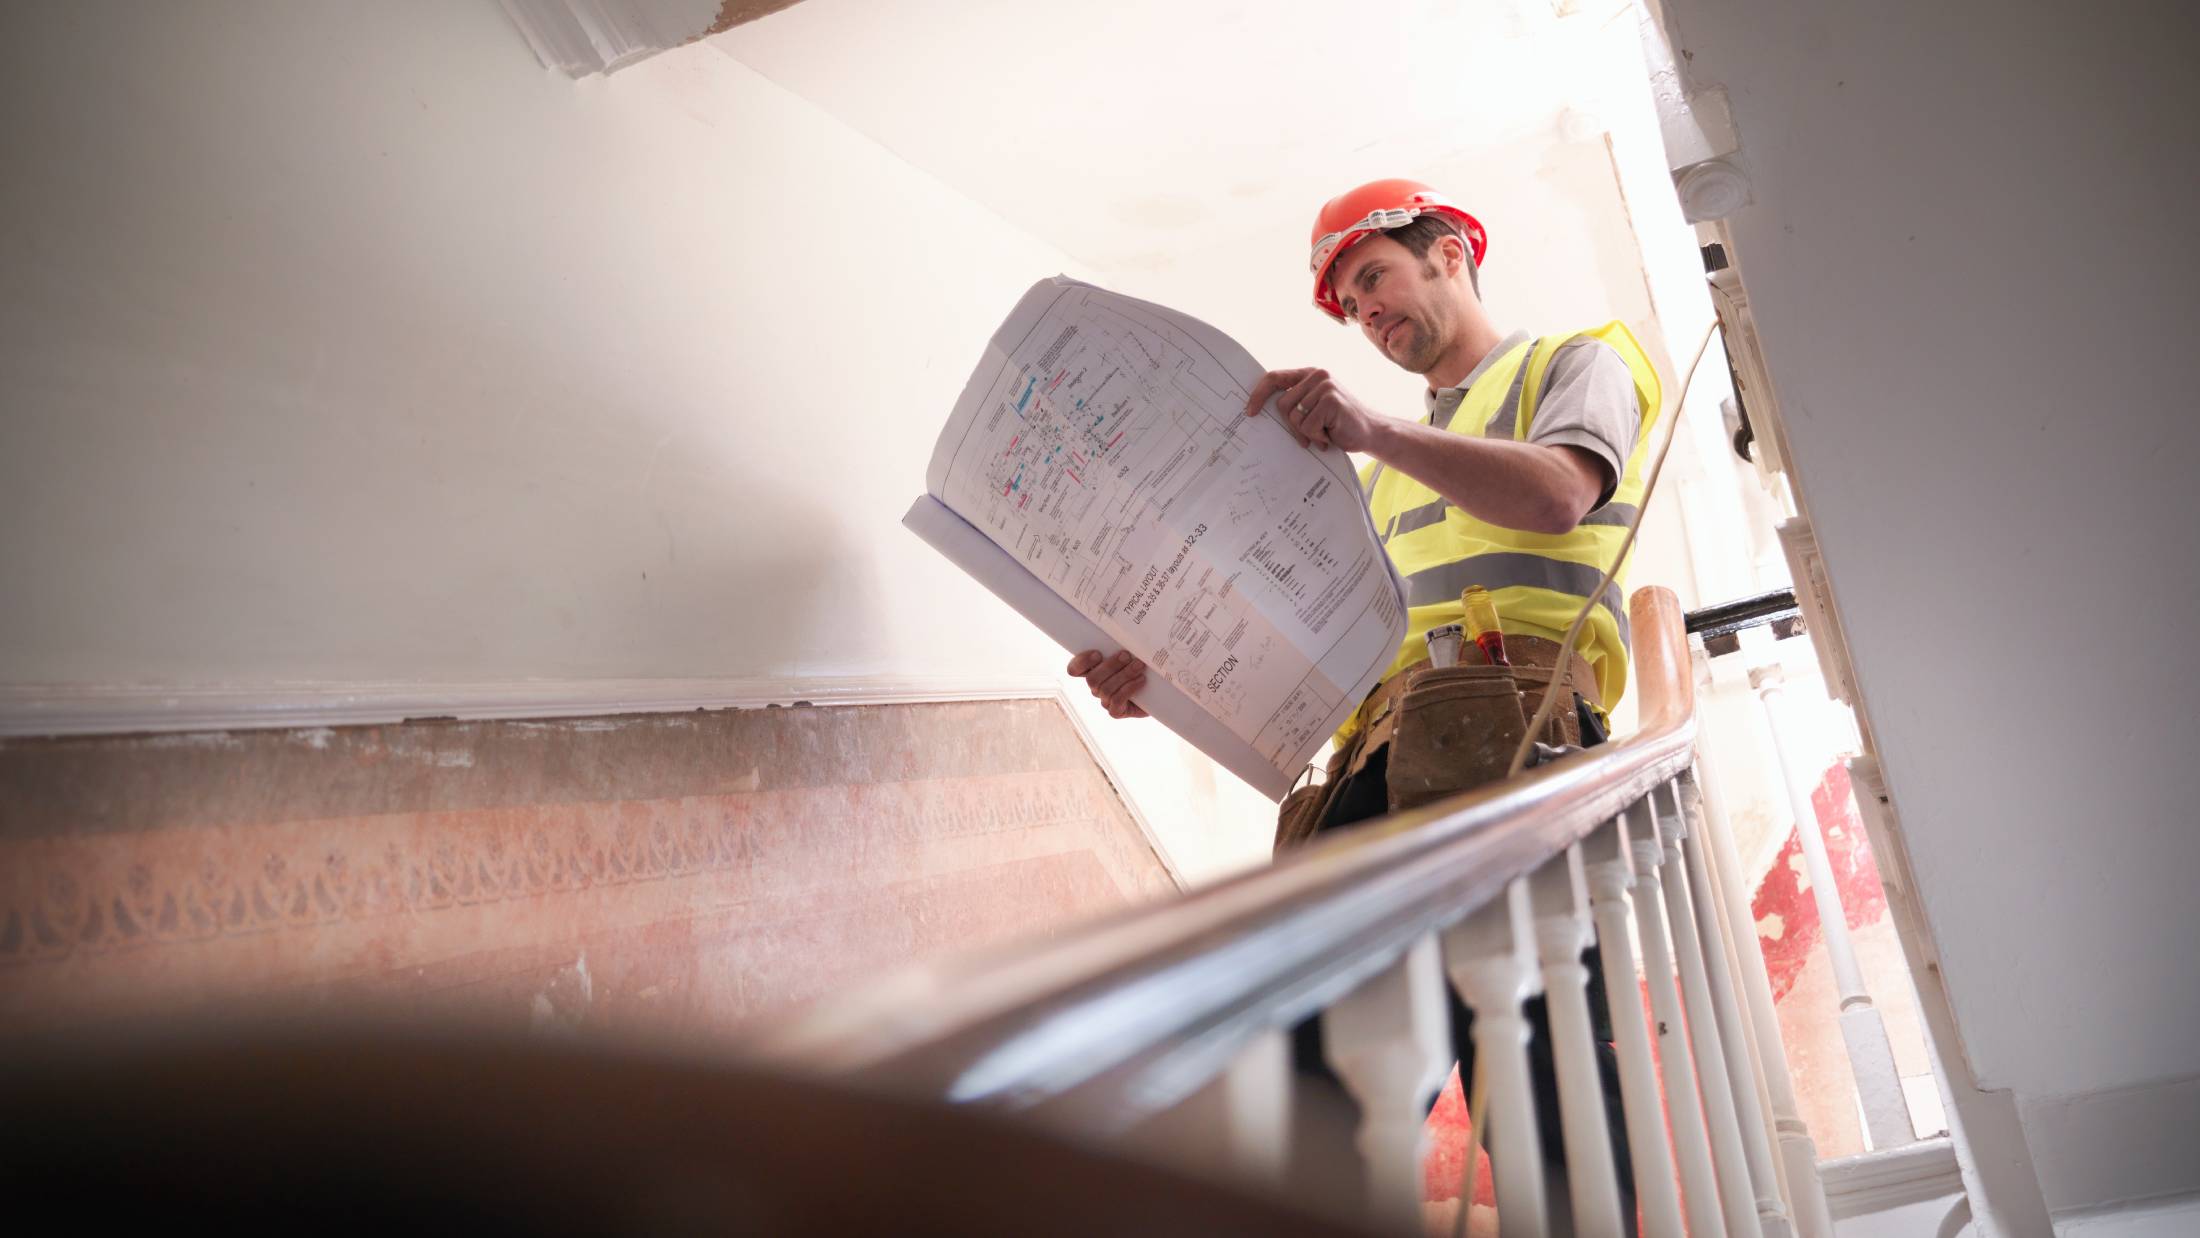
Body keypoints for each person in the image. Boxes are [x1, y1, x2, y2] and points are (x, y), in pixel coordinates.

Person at [1067, 178, 1663, 1229]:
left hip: (1515, 742)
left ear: (1450, 253)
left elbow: (1559, 493)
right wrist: (1161, 686)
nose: (1366, 311)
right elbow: (1321, 670)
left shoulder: (1572, 364)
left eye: (1374, 276)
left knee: (1543, 1082)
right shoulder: (1373, 477)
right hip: (1381, 766)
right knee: (1303, 1086)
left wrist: (1370, 430)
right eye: (1350, 303)